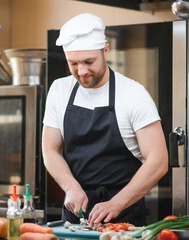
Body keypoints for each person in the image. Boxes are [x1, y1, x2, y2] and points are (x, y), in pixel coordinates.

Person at [42, 13, 168, 226]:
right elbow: (50, 150)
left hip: (124, 217)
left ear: (106, 50)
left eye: (89, 61)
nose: (81, 71)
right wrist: (71, 187)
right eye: (73, 63)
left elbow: (158, 161)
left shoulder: (133, 93)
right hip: (75, 217)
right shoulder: (59, 90)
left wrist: (116, 203)